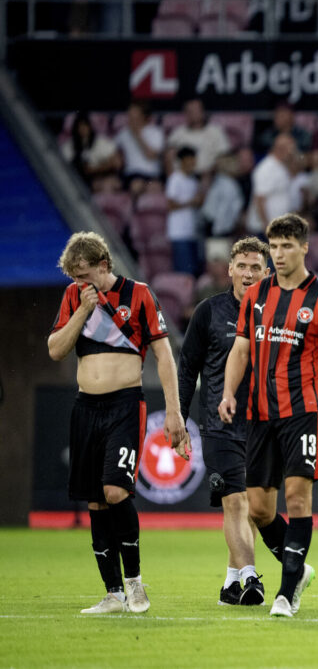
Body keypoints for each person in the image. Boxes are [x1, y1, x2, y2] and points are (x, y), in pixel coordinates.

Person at [218, 213, 318, 618]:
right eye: (273, 246)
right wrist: (228, 393)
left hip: (302, 412)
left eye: (285, 247)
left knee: (297, 497)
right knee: (260, 509)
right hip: (260, 412)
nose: (277, 254)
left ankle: (286, 591)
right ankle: (298, 571)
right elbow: (241, 349)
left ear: (303, 248)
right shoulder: (258, 294)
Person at [48, 231, 186, 614]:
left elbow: (164, 355)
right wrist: (81, 309)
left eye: (84, 275)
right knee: (95, 501)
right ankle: (112, 593)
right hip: (85, 407)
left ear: (103, 266)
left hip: (125, 404)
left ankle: (135, 583)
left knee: (115, 491)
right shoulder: (75, 298)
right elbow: (57, 350)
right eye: (74, 278)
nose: (79, 283)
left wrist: (173, 411)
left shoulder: (138, 294)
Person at [177, 237, 271, 605]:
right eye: (242, 266)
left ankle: (231, 582)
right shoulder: (208, 311)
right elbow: (187, 369)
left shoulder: (275, 314)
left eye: (255, 268)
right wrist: (179, 418)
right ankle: (250, 579)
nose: (248, 274)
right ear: (229, 269)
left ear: (266, 273)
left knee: (255, 507)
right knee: (236, 501)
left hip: (263, 423)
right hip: (220, 422)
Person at [246, 134, 297, 236]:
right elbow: (260, 199)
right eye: (291, 150)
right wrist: (266, 226)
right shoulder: (266, 169)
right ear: (281, 149)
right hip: (264, 229)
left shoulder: (281, 166)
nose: (293, 153)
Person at [165, 146, 204, 276]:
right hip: (179, 232)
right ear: (182, 161)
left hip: (192, 231)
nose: (192, 164)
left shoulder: (193, 180)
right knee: (184, 272)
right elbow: (170, 204)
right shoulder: (175, 179)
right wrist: (191, 202)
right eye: (189, 161)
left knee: (193, 271)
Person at [167, 98, 230, 176]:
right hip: (183, 177)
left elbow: (224, 156)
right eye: (189, 111)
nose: (193, 113)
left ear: (202, 111)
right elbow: (169, 158)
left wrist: (209, 175)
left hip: (210, 177)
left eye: (196, 110)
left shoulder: (216, 131)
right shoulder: (178, 133)